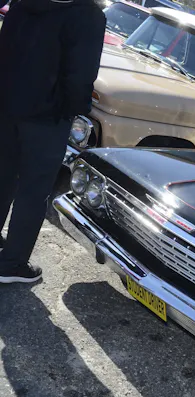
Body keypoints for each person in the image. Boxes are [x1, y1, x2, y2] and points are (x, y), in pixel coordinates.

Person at [0, 0, 106, 283]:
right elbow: (81, 75)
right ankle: (12, 263)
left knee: (3, 175)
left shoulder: (23, 3)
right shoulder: (88, 15)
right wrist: (74, 109)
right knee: (33, 190)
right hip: (47, 116)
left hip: (7, 104)